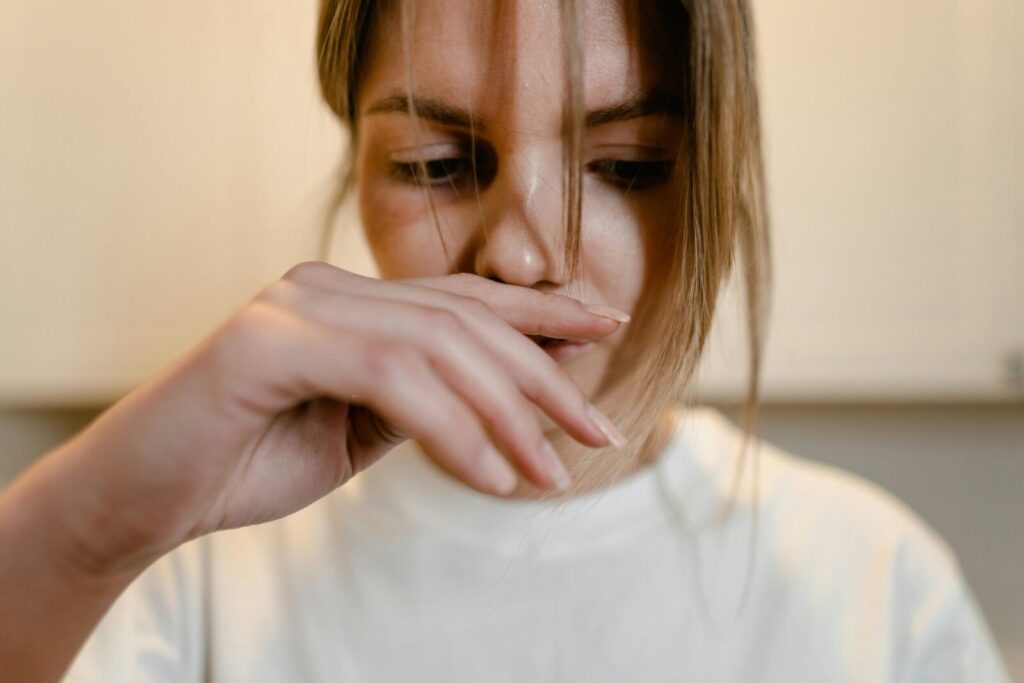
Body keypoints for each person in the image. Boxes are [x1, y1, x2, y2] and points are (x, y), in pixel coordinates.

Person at [0, 1, 1011, 681]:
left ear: (716, 172)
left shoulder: (873, 585)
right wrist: (87, 525)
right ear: (356, 161)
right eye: (438, 165)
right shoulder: (187, 575)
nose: (524, 260)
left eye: (625, 166)